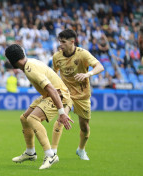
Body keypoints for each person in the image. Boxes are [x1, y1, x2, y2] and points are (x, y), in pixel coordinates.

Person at [5, 44, 74, 170]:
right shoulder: (29, 63)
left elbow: (52, 89)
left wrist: (62, 113)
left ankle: (50, 155)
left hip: (59, 95)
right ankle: (30, 152)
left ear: (11, 61)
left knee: (32, 119)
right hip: (49, 95)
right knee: (24, 118)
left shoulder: (31, 69)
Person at [52, 29, 104, 160]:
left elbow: (99, 66)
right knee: (60, 118)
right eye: (59, 42)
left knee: (84, 127)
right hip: (66, 94)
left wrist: (87, 74)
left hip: (82, 95)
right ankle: (52, 152)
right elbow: (53, 74)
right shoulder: (57, 57)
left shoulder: (82, 54)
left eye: (63, 42)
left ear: (72, 42)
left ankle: (81, 149)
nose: (60, 45)